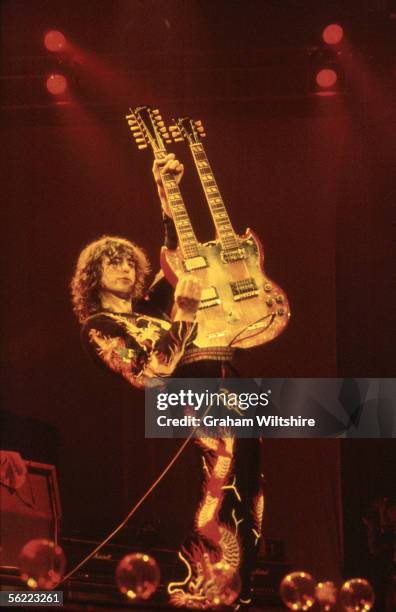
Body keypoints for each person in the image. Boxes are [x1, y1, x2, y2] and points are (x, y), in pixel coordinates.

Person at [71, 154, 263, 610]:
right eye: (112, 264)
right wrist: (186, 315)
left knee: (249, 492)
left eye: (128, 262)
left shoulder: (148, 309)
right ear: (94, 276)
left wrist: (166, 190)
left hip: (225, 382)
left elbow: (179, 256)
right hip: (190, 398)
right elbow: (149, 372)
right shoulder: (100, 326)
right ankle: (195, 589)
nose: (125, 269)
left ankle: (235, 591)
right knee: (220, 484)